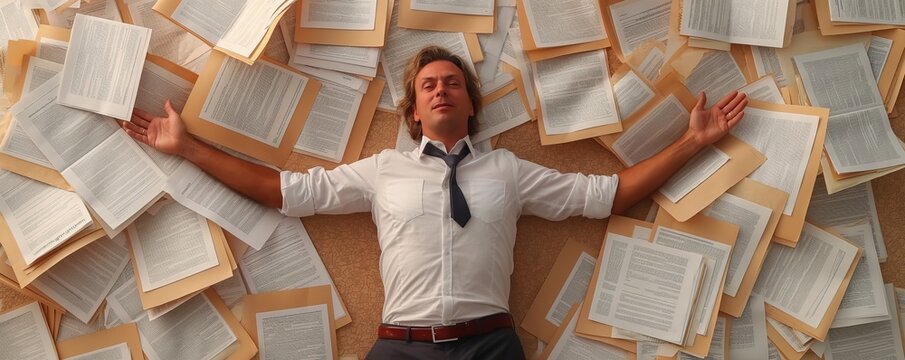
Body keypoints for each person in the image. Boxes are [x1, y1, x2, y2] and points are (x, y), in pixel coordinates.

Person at [121, 46, 748, 359]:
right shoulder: (382, 170)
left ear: (471, 104)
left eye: (452, 83)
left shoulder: (509, 171)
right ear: (415, 112)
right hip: (400, 347)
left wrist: (693, 142)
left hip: (491, 346)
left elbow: (609, 196)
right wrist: (187, 147)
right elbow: (285, 191)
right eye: (428, 86)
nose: (441, 89)